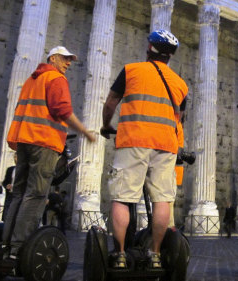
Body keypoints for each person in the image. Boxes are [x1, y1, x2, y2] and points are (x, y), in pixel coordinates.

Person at [100, 30, 187, 269]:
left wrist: (107, 125)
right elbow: (179, 119)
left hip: (133, 141)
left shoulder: (131, 71)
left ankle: (119, 255)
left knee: (122, 197)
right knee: (162, 200)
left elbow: (110, 104)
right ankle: (155, 254)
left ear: (150, 48)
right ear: (170, 56)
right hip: (166, 146)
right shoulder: (180, 84)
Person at [2, 46, 96, 260]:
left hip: (24, 140)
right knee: (36, 195)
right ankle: (20, 249)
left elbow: (21, 110)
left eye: (70, 60)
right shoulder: (55, 79)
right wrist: (84, 131)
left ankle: (6, 244)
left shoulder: (31, 81)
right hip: (43, 142)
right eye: (65, 59)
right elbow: (62, 110)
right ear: (52, 58)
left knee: (19, 194)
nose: (68, 63)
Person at [1, 153, 17, 222]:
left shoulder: (25, 170)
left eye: (17, 157)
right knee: (6, 215)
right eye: (14, 157)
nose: (15, 159)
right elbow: (4, 182)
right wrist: (6, 185)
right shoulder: (10, 169)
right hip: (9, 195)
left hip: (18, 195)